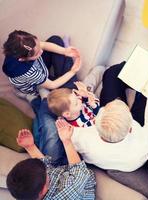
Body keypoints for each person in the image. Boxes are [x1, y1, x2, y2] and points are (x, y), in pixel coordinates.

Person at [2, 30, 81, 166]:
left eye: (38, 46)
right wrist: (73, 71)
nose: (41, 52)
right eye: (37, 53)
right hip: (39, 86)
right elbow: (53, 84)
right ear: (22, 59)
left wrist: (64, 51)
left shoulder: (23, 48)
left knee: (54, 40)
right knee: (65, 90)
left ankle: (59, 88)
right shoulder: (30, 72)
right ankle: (36, 98)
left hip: (42, 76)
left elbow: (43, 46)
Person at [6, 119, 96, 200]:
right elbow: (79, 169)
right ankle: (43, 106)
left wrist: (30, 147)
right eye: (45, 172)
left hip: (60, 171)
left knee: (48, 127)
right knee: (51, 127)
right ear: (42, 191)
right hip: (80, 175)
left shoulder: (33, 192)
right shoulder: (67, 191)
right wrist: (66, 140)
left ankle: (41, 108)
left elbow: (44, 164)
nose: (45, 168)